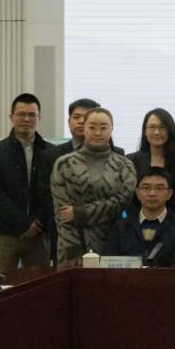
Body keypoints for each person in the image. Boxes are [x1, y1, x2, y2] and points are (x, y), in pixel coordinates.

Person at [37, 97, 120, 263]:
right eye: (76, 117)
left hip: (105, 232)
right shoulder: (52, 155)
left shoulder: (117, 154)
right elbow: (45, 194)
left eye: (86, 117)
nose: (81, 121)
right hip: (66, 232)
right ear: (69, 122)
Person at [51, 108, 137, 266]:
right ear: (84, 128)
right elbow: (62, 214)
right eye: (92, 127)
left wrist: (80, 213)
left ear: (111, 129)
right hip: (72, 246)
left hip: (113, 243)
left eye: (103, 127)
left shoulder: (125, 165)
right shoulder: (64, 164)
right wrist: (74, 250)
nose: (98, 132)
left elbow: (122, 203)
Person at [0, 93, 51, 273]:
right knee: (0, 285)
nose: (26, 119)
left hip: (39, 234)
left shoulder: (50, 152)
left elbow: (52, 192)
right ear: (11, 117)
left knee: (39, 285)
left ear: (39, 118)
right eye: (21, 114)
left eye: (32, 115)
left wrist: (37, 222)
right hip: (4, 233)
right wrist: (23, 224)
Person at [106, 168, 175, 267]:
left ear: (169, 194)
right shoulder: (120, 228)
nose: (152, 193)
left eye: (159, 188)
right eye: (146, 188)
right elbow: (109, 265)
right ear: (137, 193)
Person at [126, 108, 175, 215]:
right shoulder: (131, 160)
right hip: (137, 218)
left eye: (162, 128)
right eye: (152, 127)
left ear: (170, 131)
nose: (156, 132)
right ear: (145, 131)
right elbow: (128, 197)